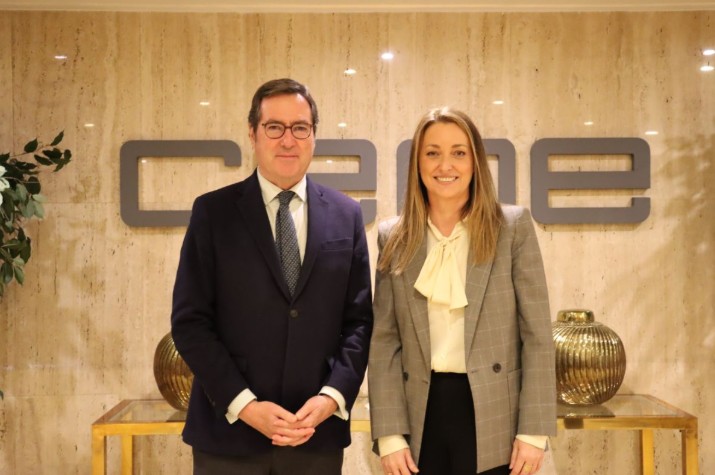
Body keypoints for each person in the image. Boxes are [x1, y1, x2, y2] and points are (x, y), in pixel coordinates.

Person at [171, 78, 373, 475]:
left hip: (314, 434)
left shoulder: (346, 215)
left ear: (314, 135)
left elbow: (360, 322)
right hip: (228, 437)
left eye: (300, 128)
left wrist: (332, 397)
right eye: (274, 127)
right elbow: (190, 321)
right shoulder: (213, 213)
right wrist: (245, 405)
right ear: (252, 133)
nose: (288, 140)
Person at [368, 107, 556, 475]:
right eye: (432, 153)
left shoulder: (512, 228)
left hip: (496, 415)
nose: (445, 165)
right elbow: (385, 342)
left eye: (458, 152)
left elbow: (536, 335)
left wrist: (533, 432)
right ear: (417, 163)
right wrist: (389, 434)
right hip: (419, 415)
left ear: (475, 161)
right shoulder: (394, 236)